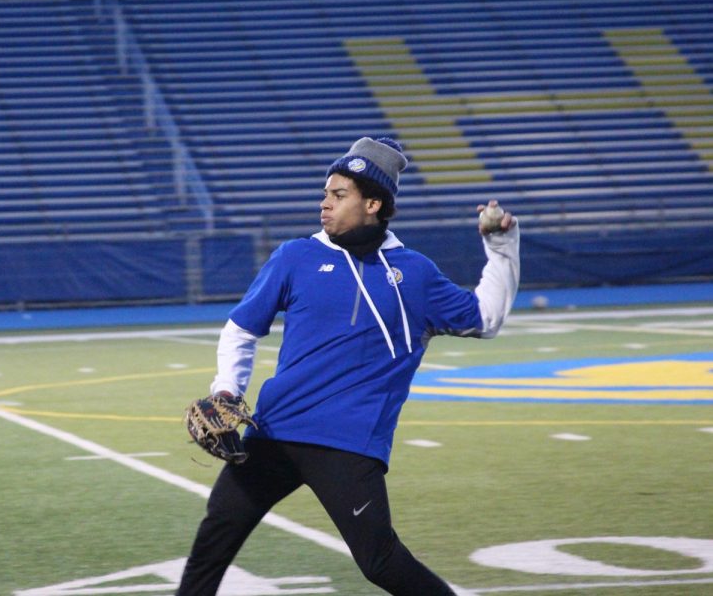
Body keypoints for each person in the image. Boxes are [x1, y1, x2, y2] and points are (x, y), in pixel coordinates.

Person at [178, 136, 520, 595]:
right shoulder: (295, 256)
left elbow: (486, 318)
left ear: (373, 203)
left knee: (380, 562)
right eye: (324, 194)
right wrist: (226, 390)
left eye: (339, 196)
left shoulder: (414, 273)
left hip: (349, 444)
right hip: (273, 433)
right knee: (215, 536)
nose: (325, 205)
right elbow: (240, 330)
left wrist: (501, 246)